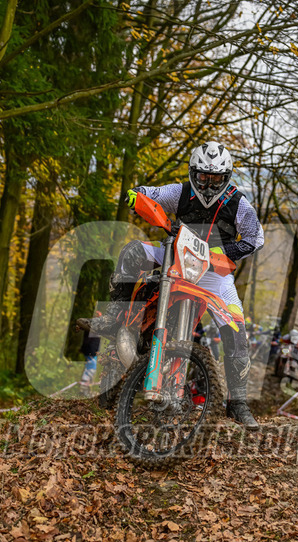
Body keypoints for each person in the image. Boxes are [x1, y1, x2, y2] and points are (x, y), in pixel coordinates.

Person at [78, 141, 264, 428]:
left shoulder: (239, 203)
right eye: (203, 177)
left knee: (236, 330)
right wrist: (137, 198)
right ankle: (115, 316)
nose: (208, 184)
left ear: (226, 177)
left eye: (215, 179)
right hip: (175, 255)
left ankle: (238, 403)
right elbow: (145, 193)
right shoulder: (180, 191)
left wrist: (221, 251)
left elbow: (255, 238)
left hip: (214, 270)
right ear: (193, 173)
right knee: (133, 250)